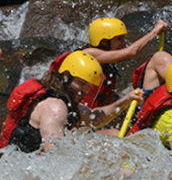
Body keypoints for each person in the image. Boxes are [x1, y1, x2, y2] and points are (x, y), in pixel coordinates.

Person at [1, 51, 144, 153]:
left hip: (23, 166)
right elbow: (54, 153)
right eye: (81, 83)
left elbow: (95, 118)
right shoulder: (55, 107)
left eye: (89, 86)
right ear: (66, 76)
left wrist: (127, 99)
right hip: (17, 171)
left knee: (112, 136)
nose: (85, 90)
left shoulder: (63, 100)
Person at [50, 16, 167, 108]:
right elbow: (132, 51)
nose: (123, 43)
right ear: (104, 42)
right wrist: (154, 31)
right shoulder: (88, 54)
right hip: (80, 115)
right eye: (118, 39)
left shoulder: (107, 66)